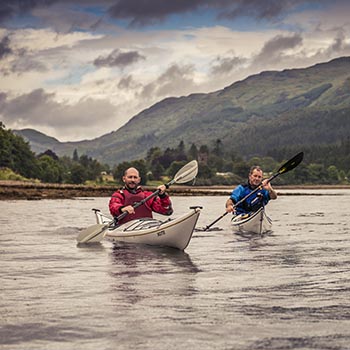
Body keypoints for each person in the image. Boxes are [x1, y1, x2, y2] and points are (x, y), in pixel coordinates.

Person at [109, 167, 173, 225]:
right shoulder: (119, 195)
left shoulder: (147, 196)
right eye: (130, 177)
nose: (132, 180)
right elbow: (113, 206)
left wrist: (162, 195)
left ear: (139, 180)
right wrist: (122, 208)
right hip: (124, 228)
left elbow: (166, 210)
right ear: (124, 179)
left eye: (135, 177)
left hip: (146, 228)